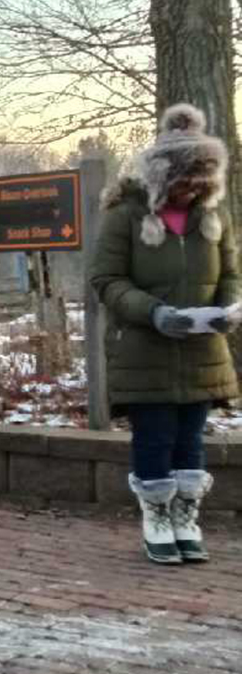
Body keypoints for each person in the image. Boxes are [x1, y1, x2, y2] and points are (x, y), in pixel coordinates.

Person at [90, 103, 240, 565]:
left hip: (201, 349)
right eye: (184, 178)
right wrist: (154, 313)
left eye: (201, 179)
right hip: (144, 350)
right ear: (161, 175)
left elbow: (231, 273)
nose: (192, 188)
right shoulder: (125, 216)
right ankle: (156, 519)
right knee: (154, 437)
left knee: (191, 439)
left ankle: (184, 518)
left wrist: (226, 308)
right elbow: (107, 281)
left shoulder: (215, 218)